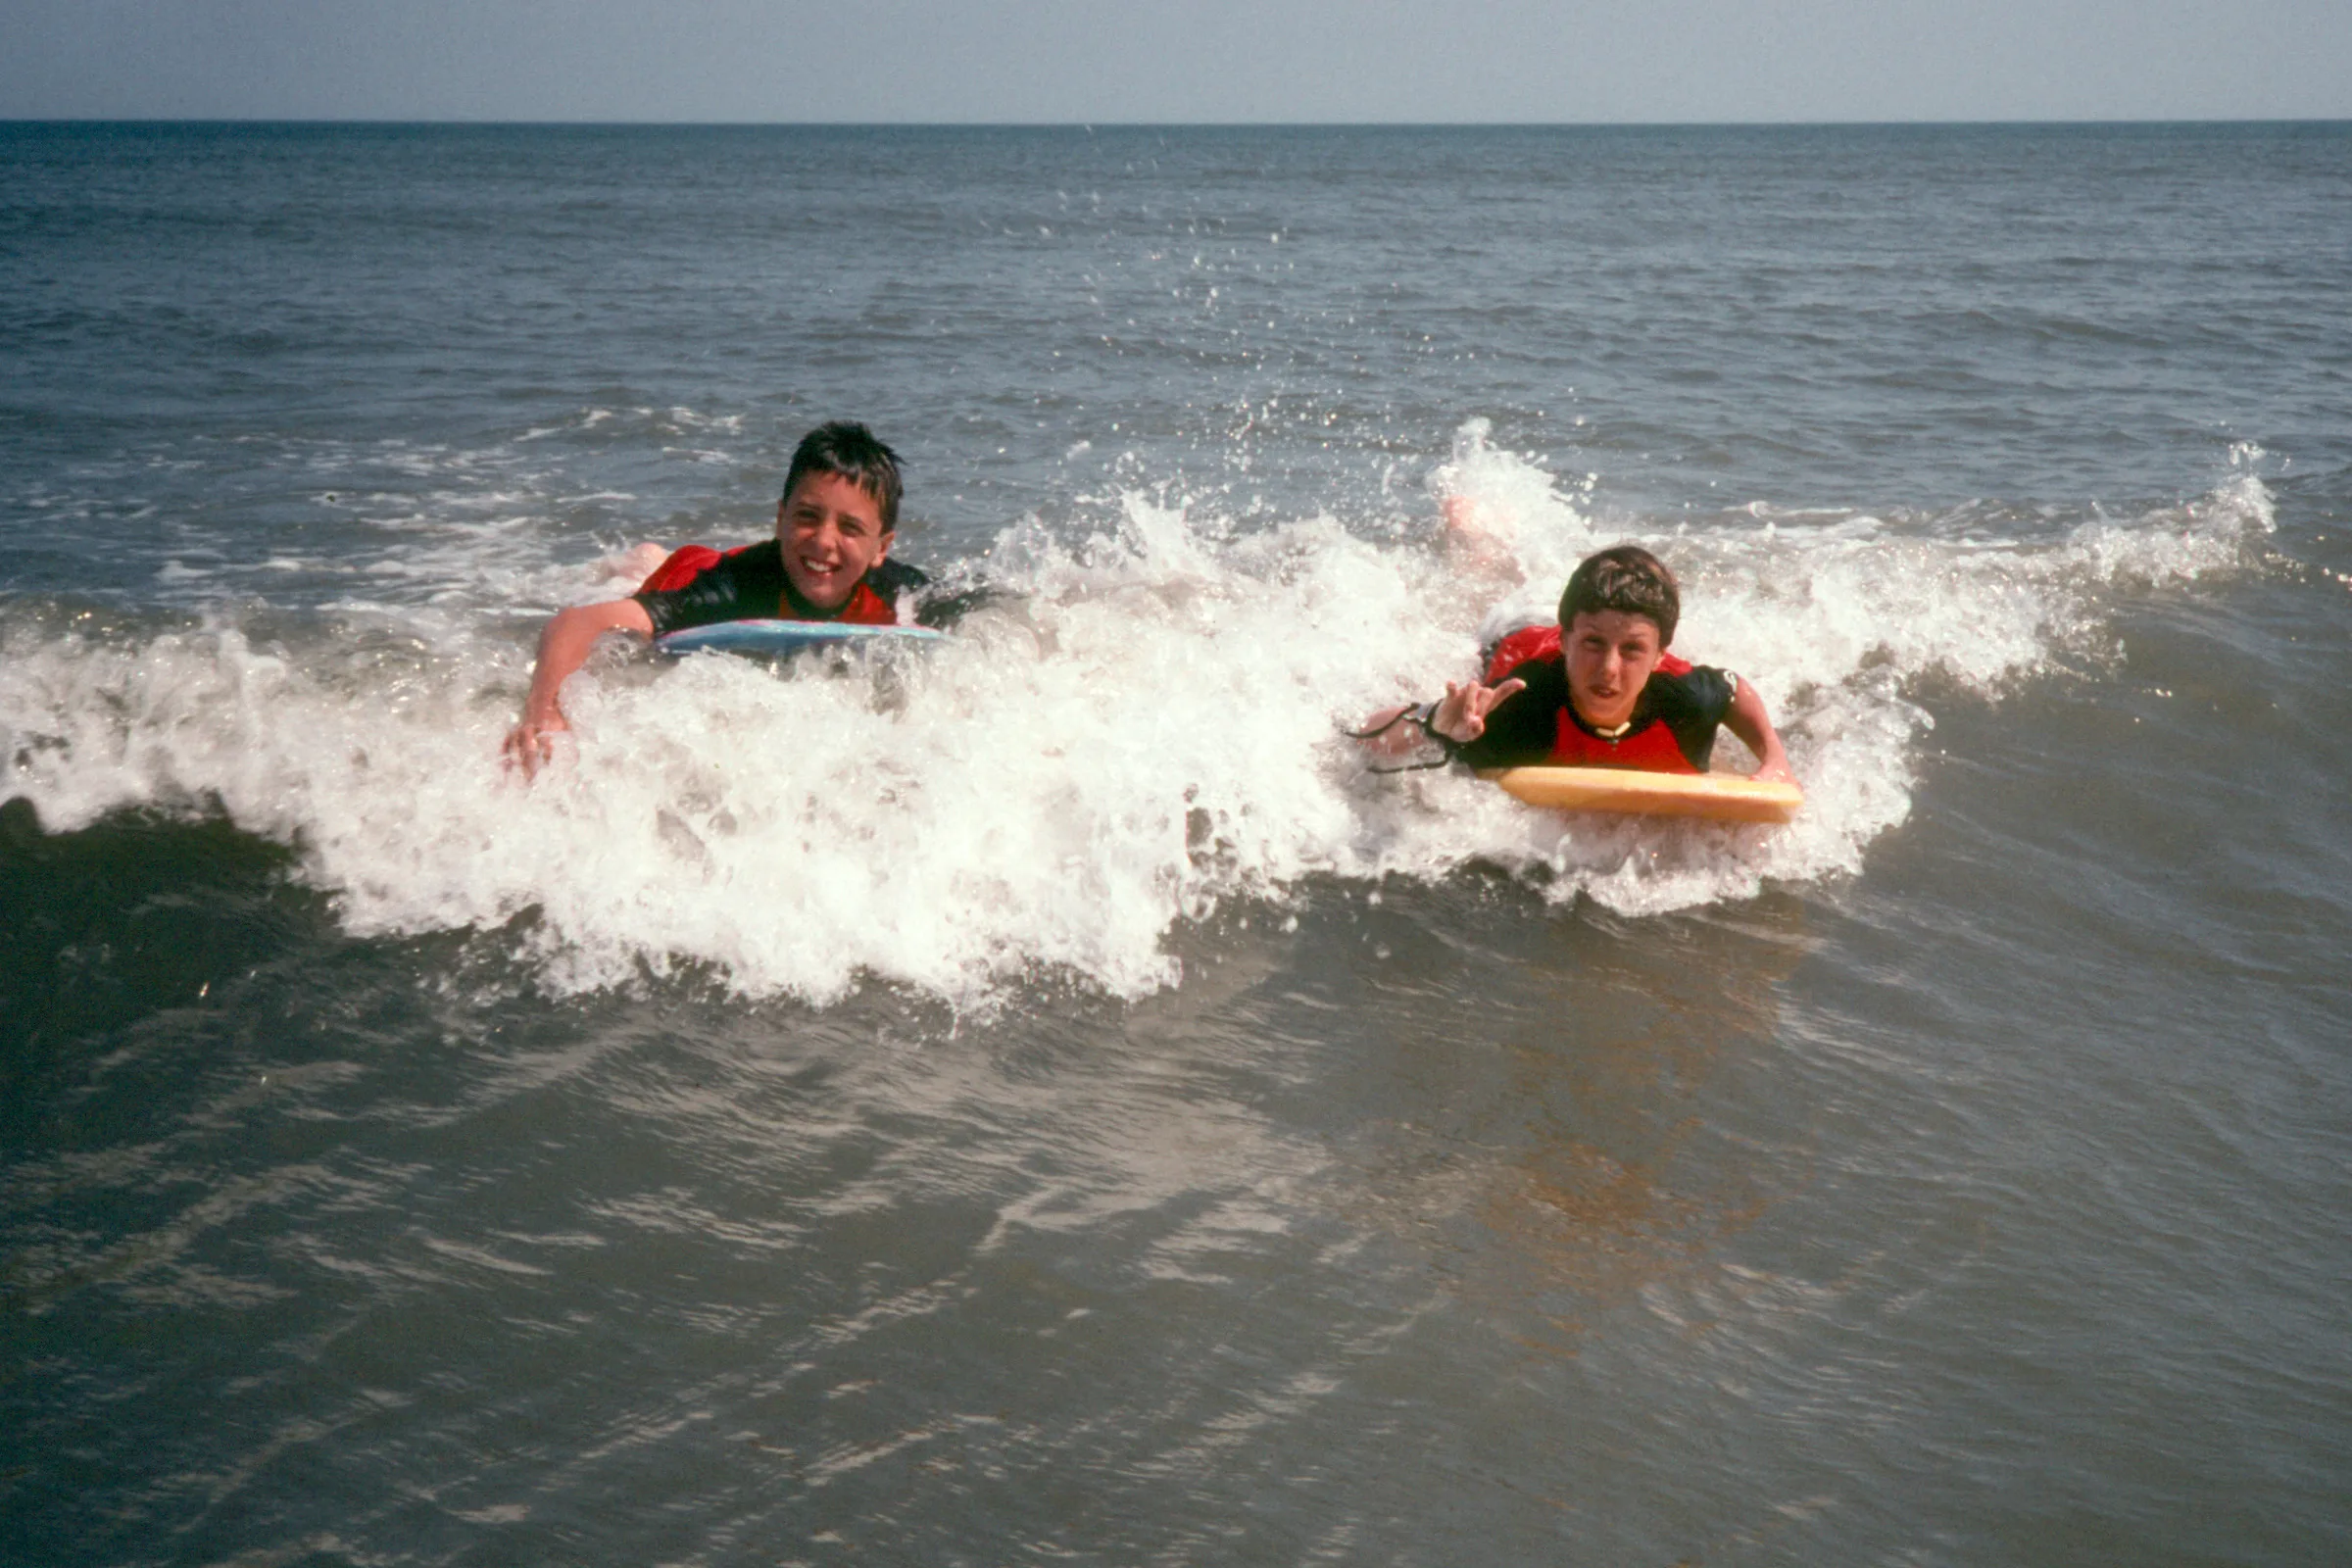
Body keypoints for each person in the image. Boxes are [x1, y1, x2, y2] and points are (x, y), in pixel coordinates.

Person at [504, 420, 931, 775]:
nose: (823, 541)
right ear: (780, 519)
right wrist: (544, 714)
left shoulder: (899, 590)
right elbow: (575, 622)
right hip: (692, 574)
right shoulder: (730, 588)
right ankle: (649, 558)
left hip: (735, 567)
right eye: (807, 517)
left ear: (881, 548)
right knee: (651, 569)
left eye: (850, 529)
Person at [1355, 543, 1794, 782]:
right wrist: (1434, 720)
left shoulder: (1686, 698)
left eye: (1633, 651)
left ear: (1661, 656)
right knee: (1483, 573)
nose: (1607, 669)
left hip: (1579, 617)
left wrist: (1775, 760)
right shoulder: (1524, 706)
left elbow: (1734, 688)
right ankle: (1473, 535)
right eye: (1592, 645)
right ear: (1567, 641)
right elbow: (1366, 736)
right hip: (1521, 628)